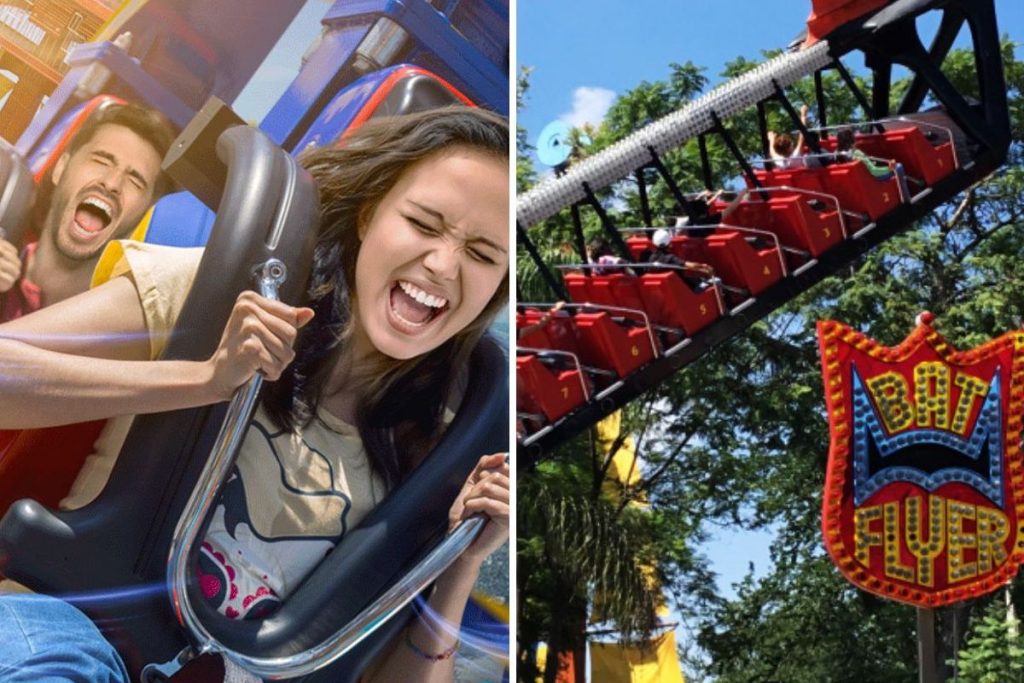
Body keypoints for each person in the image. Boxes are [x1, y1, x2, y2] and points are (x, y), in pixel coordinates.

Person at [0, 107, 510, 682]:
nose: (443, 264)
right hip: (70, 639)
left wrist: (460, 563)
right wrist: (204, 378)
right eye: (423, 223)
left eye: (483, 254)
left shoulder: (433, 463)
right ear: (370, 215)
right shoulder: (222, 293)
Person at [0, 102, 176, 322]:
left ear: (144, 216)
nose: (112, 182)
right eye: (101, 160)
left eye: (135, 181)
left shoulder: (107, 343)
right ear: (61, 167)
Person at [834, 126, 910, 201]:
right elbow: (874, 172)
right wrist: (890, 168)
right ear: (852, 139)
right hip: (873, 178)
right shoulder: (856, 153)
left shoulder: (838, 154)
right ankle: (906, 199)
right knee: (899, 167)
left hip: (860, 182)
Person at [646, 228, 711, 290]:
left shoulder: (650, 259)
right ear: (669, 242)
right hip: (683, 290)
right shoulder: (670, 258)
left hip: (667, 290)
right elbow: (689, 265)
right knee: (715, 282)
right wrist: (704, 266)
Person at [766, 104, 811, 170]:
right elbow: (802, 135)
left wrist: (771, 139)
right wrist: (803, 115)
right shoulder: (796, 156)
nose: (792, 143)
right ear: (789, 148)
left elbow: (772, 152)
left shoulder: (780, 162)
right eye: (791, 143)